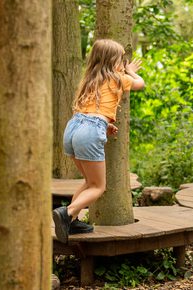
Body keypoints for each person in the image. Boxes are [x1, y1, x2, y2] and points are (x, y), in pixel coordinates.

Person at [52, 39, 145, 243]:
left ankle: (73, 221)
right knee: (98, 187)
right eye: (121, 59)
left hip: (73, 127)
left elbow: (91, 111)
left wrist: (104, 125)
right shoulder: (118, 78)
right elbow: (141, 83)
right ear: (114, 61)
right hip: (90, 131)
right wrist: (130, 70)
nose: (123, 62)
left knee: (89, 182)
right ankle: (66, 213)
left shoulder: (89, 80)